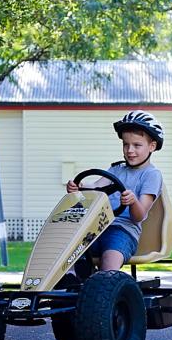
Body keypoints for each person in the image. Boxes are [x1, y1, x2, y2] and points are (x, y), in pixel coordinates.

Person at [65, 110, 165, 273]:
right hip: (97, 228)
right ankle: (68, 285)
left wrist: (133, 202)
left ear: (152, 146)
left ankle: (105, 286)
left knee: (108, 264)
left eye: (137, 145)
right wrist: (79, 186)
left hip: (123, 231)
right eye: (126, 144)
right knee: (67, 252)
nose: (130, 150)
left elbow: (139, 216)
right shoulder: (116, 169)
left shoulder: (151, 175)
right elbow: (96, 187)